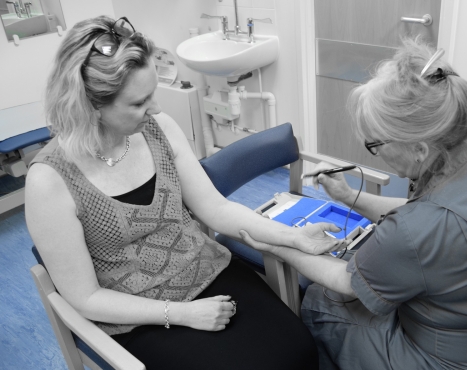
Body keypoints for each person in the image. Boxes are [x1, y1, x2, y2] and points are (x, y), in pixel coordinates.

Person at [25, 15, 343, 370]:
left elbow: (216, 210)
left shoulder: (158, 130)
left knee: (298, 350)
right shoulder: (50, 181)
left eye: (153, 95)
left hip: (206, 271)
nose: (156, 109)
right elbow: (84, 297)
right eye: (138, 103)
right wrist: (182, 314)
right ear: (90, 105)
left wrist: (293, 236)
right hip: (135, 313)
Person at [240, 39, 467, 369]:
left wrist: (281, 244)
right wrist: (345, 195)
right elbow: (424, 213)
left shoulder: (416, 230)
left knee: (319, 299)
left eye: (375, 144)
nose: (376, 153)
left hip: (459, 362)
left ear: (420, 150)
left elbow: (348, 282)